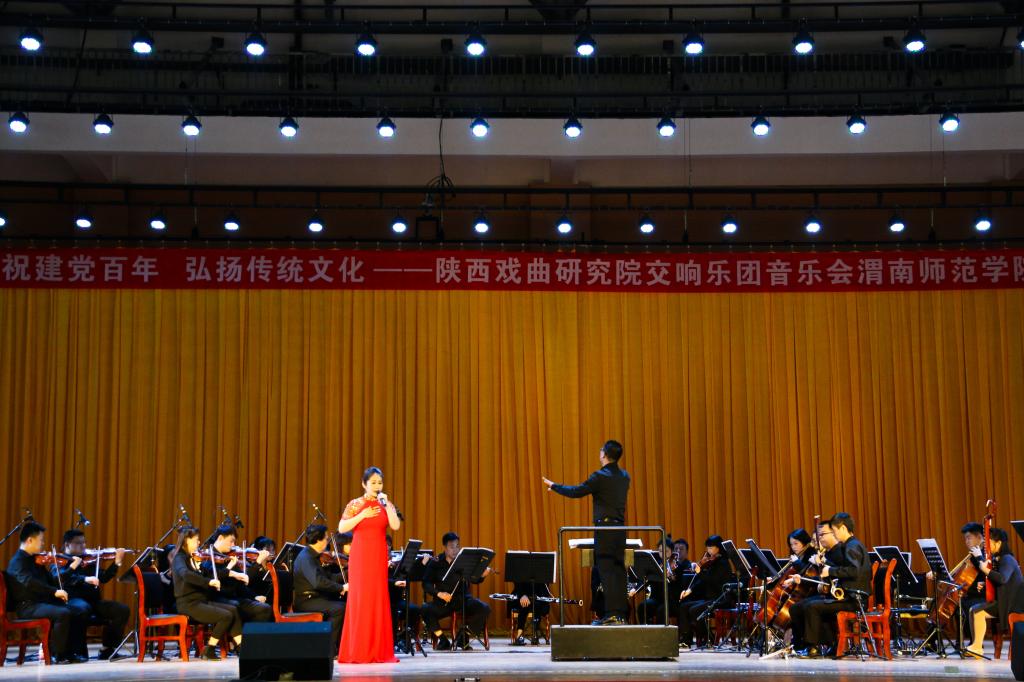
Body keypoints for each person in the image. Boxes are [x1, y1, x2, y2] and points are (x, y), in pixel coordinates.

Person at [543, 439, 631, 626]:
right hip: (620, 529)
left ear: (604, 454)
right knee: (619, 572)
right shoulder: (625, 476)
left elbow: (576, 491)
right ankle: (620, 615)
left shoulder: (600, 476)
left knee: (606, 572)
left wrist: (555, 486)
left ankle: (611, 615)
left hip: (604, 529)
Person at [336, 466, 402, 663]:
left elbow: (395, 525)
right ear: (364, 484)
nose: (377, 485)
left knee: (377, 598)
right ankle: (358, 650)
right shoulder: (355, 504)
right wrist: (362, 515)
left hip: (378, 555)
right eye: (373, 482)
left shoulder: (385, 503)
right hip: (360, 556)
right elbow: (342, 527)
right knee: (360, 599)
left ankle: (378, 649)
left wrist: (387, 506)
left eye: (379, 482)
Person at [788, 513, 871, 659]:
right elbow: (841, 572)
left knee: (812, 607)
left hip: (854, 598)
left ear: (843, 528)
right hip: (846, 596)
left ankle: (814, 647)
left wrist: (830, 570)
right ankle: (822, 643)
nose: (834, 534)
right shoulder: (849, 545)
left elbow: (854, 571)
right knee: (798, 607)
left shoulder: (852, 546)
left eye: (834, 530)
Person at [5, 522, 84, 664]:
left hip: (40, 603)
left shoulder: (35, 560)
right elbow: (29, 582)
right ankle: (57, 655)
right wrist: (54, 592)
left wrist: (70, 570)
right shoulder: (18, 561)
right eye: (41, 540)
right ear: (30, 540)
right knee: (63, 613)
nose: (43, 543)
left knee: (77, 610)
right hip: (27, 606)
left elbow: (52, 580)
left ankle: (70, 652)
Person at [170, 526, 242, 660]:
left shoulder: (193, 558)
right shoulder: (179, 558)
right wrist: (208, 582)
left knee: (233, 609)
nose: (199, 542)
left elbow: (205, 575)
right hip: (188, 604)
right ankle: (209, 649)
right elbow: (185, 574)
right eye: (196, 539)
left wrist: (223, 571)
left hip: (200, 600)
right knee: (225, 616)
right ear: (186, 540)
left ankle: (241, 647)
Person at [58, 528, 130, 660]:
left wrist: (117, 563)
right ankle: (78, 652)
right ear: (67, 544)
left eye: (84, 542)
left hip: (93, 602)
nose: (83, 545)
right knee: (82, 609)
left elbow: (104, 577)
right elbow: (63, 578)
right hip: (73, 600)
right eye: (79, 542)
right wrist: (84, 579)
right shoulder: (60, 560)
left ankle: (107, 649)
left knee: (121, 609)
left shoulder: (88, 560)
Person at [422, 531, 494, 650]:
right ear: (444, 547)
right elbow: (426, 583)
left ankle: (463, 638)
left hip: (463, 599)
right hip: (443, 601)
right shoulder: (436, 562)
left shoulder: (464, 560)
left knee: (484, 608)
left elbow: (474, 579)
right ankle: (443, 639)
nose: (455, 550)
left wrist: (482, 576)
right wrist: (439, 594)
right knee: (425, 609)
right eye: (452, 547)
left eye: (457, 546)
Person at [966, 527, 1024, 658]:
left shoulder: (1007, 559)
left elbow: (1002, 579)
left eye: (989, 542)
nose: (986, 546)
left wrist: (985, 570)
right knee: (973, 609)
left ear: (998, 543)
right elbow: (998, 580)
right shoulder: (999, 558)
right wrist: (985, 584)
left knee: (977, 611)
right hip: (1005, 601)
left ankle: (977, 647)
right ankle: (976, 646)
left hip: (1013, 605)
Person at [201, 524, 273, 625]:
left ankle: (248, 634)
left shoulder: (229, 557)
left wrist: (254, 597)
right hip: (219, 599)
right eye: (231, 541)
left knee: (266, 608)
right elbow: (212, 577)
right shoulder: (208, 556)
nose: (233, 545)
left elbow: (242, 582)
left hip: (235, 598)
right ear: (220, 538)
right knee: (258, 610)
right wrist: (257, 563)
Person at [293, 524, 348, 647]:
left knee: (344, 603)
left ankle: (339, 646)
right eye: (326, 538)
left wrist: (349, 572)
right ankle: (328, 648)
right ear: (318, 540)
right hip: (306, 601)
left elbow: (329, 578)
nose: (327, 541)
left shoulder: (313, 556)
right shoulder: (306, 557)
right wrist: (341, 588)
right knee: (340, 609)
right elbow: (318, 582)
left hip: (316, 597)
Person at [677, 535, 735, 648]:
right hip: (710, 598)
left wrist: (700, 572)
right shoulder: (711, 562)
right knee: (683, 607)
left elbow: (711, 580)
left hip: (720, 599)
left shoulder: (723, 563)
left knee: (694, 610)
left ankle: (709, 638)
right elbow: (701, 581)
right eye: (707, 548)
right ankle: (686, 640)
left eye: (711, 548)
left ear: (718, 548)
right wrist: (689, 590)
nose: (708, 551)